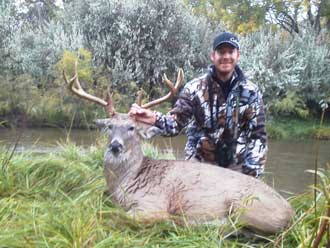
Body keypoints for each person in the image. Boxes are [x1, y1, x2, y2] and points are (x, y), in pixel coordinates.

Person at [129, 31, 267, 178]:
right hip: (199, 162)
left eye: (230, 52)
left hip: (235, 165)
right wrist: (153, 118)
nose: (226, 56)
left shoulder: (251, 92)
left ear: (237, 55)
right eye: (221, 52)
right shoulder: (194, 89)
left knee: (243, 198)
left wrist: (252, 174)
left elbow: (257, 136)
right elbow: (176, 124)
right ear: (213, 56)